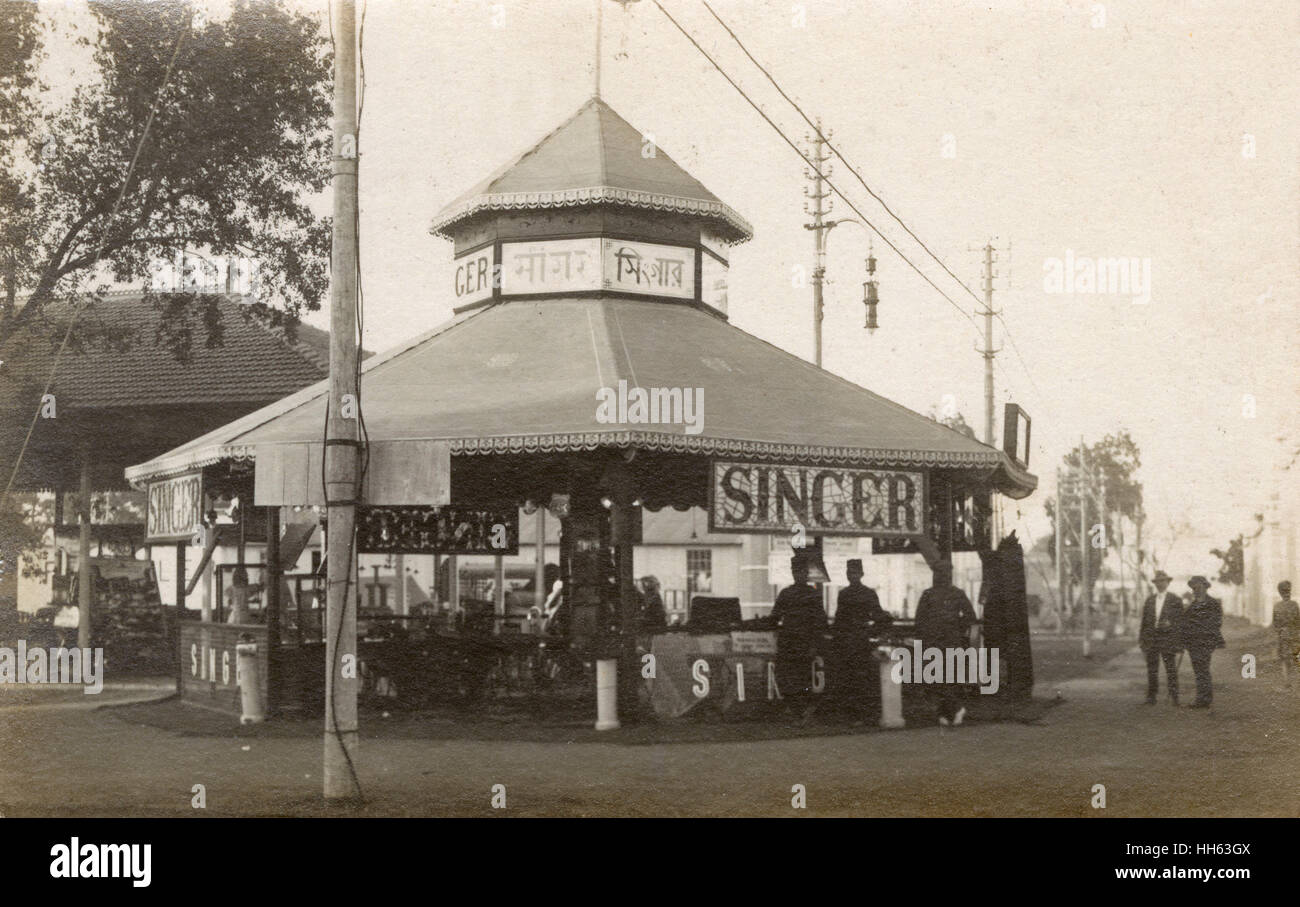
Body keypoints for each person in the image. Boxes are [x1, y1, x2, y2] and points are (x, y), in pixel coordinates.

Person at [913, 561, 977, 726]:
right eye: (939, 572)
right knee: (941, 679)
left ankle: (952, 710)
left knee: (945, 679)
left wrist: (955, 628)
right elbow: (970, 616)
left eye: (943, 572)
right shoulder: (950, 594)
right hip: (944, 641)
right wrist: (957, 627)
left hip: (943, 641)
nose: (941, 576)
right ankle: (948, 711)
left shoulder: (931, 594)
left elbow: (919, 620)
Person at [769, 553, 829, 722]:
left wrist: (813, 643)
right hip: (792, 642)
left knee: (799, 677)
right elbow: (775, 616)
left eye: (801, 571)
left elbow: (819, 621)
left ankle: (800, 710)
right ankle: (798, 710)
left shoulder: (801, 594)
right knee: (790, 676)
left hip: (801, 642)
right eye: (796, 571)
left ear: (805, 573)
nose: (798, 575)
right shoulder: (794, 594)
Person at [833, 559, 893, 723]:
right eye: (850, 572)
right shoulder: (869, 593)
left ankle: (853, 714)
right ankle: (864, 714)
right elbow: (879, 616)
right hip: (862, 640)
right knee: (864, 678)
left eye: (852, 572)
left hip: (848, 641)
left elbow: (839, 620)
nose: (851, 575)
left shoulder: (844, 594)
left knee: (850, 678)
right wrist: (874, 630)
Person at [1139, 570, 1183, 705]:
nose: (1160, 584)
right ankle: (1151, 697)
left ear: (1168, 583)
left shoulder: (1175, 599)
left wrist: (1171, 624)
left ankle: (1175, 697)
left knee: (1170, 668)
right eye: (1158, 582)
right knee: (1152, 669)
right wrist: (1142, 640)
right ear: (1155, 584)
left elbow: (1181, 621)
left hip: (1167, 639)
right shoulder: (1150, 600)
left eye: (1163, 581)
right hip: (1152, 639)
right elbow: (1145, 621)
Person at [1181, 575, 1224, 708]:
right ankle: (1203, 698)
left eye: (1198, 587)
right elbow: (1185, 621)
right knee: (1198, 670)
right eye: (1194, 587)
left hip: (1206, 641)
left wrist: (1201, 628)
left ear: (1205, 587)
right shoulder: (1192, 605)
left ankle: (1203, 699)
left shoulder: (1212, 603)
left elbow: (1217, 622)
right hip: (1193, 642)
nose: (1196, 589)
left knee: (1203, 669)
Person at [1272, 580, 1299, 688]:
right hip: (1295, 634)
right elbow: (1298, 620)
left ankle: (1287, 681)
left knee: (1284, 659)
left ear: (1279, 592)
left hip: (1283, 635)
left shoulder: (1277, 606)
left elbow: (1275, 623)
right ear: (1289, 591)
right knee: (1296, 657)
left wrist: (1280, 631)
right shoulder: (1294, 605)